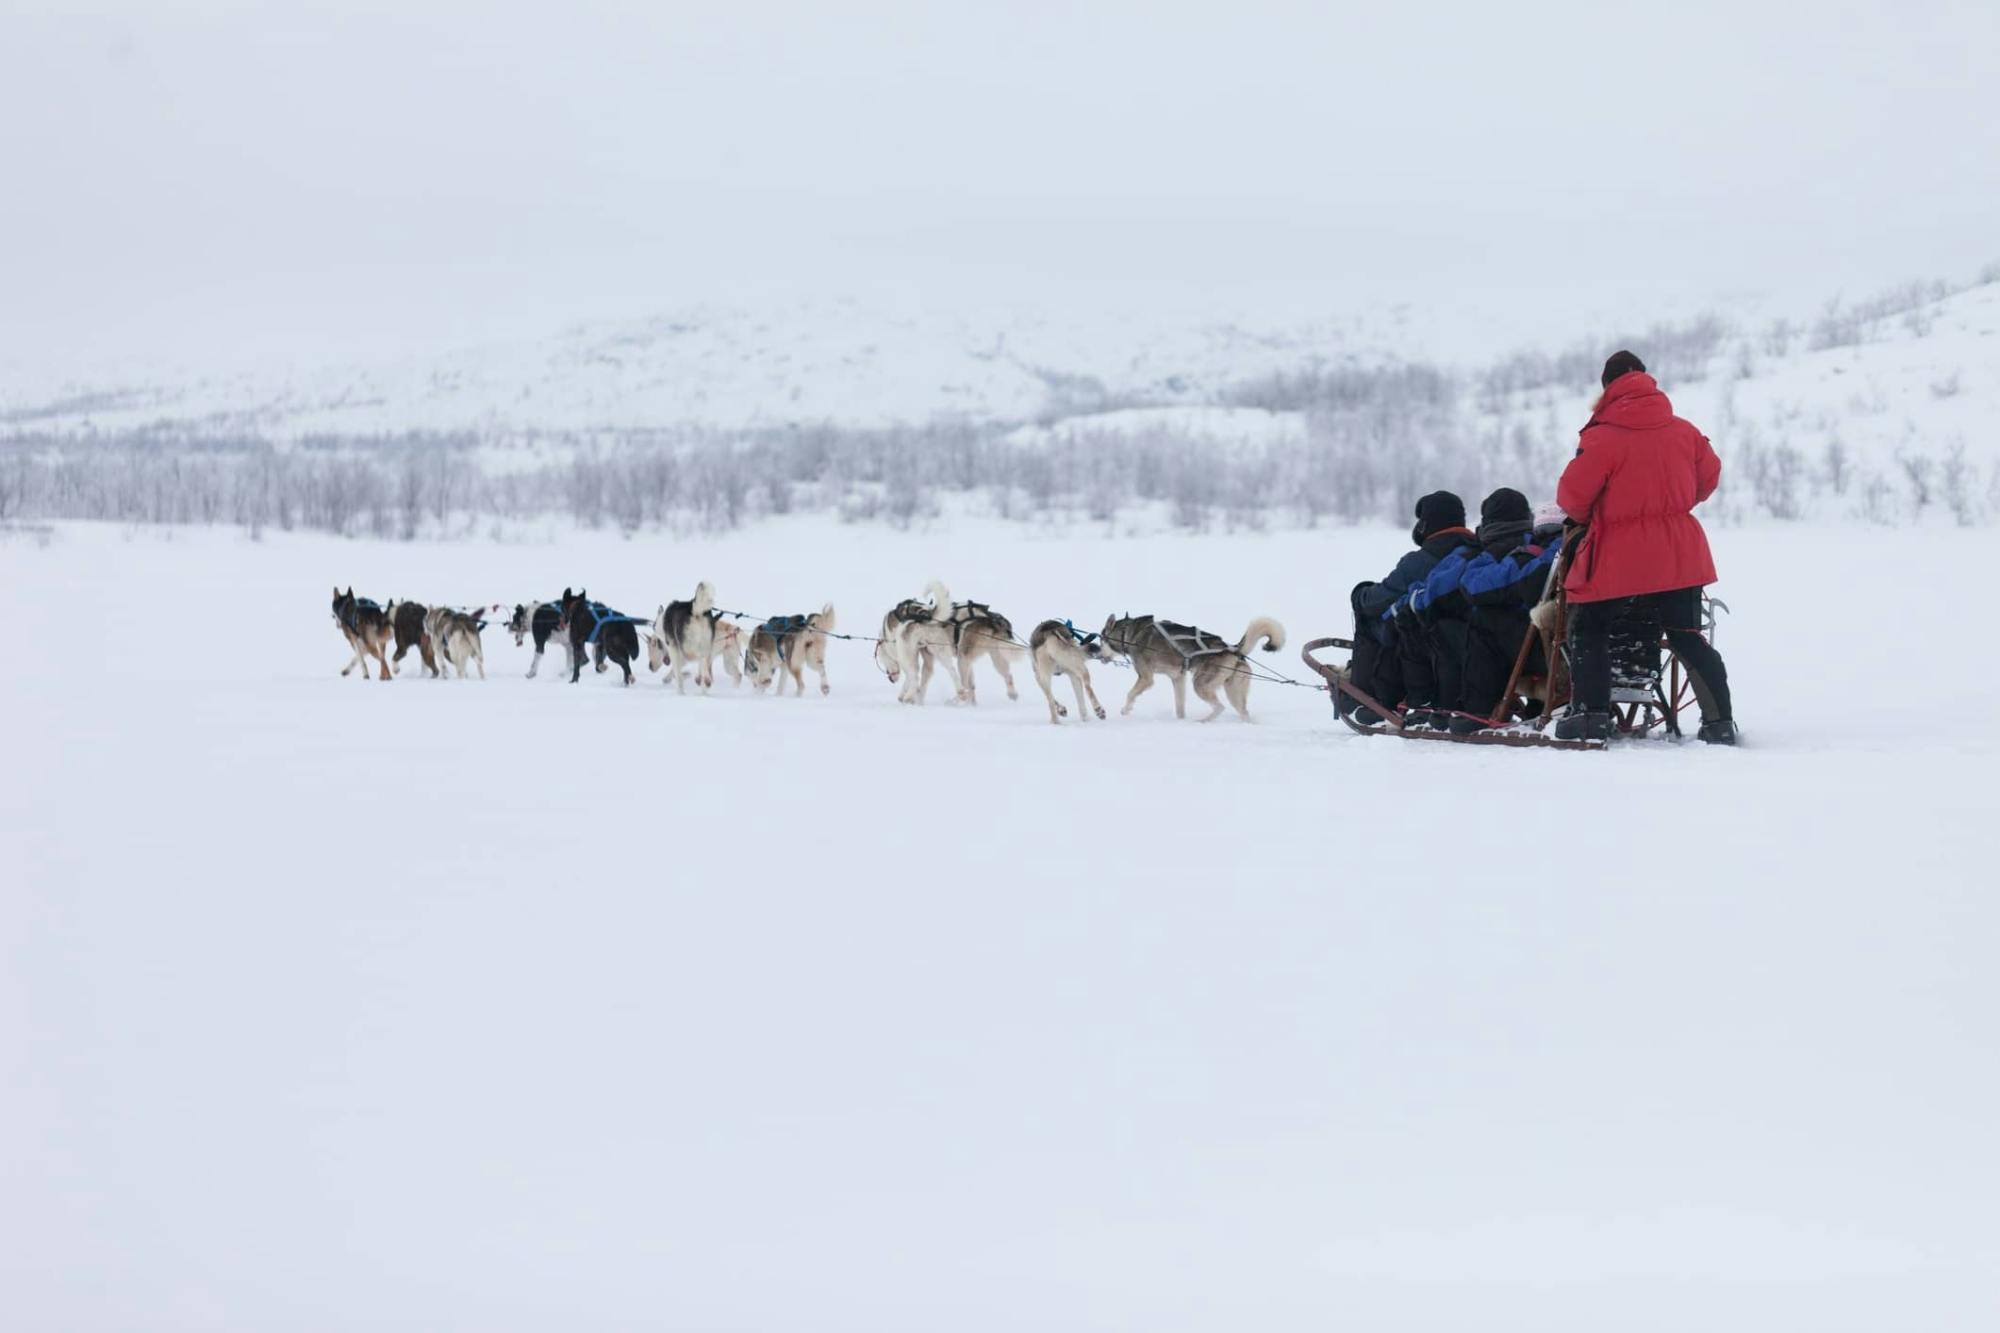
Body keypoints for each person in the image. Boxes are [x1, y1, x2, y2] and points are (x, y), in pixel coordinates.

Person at [1553, 351, 1736, 743]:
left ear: (1608, 387)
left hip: (1617, 551)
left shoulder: (1601, 436)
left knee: (1590, 628)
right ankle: (1719, 722)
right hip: (1678, 550)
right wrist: (1671, 507)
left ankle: (1590, 715)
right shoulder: (1685, 431)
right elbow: (1709, 476)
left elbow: (1573, 498)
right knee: (1687, 634)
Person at [1343, 491, 1474, 724]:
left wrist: (1360, 594)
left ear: (1426, 524)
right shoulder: (1478, 551)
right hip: (1470, 639)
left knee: (1374, 618)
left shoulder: (1422, 559)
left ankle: (1368, 694)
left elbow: (1378, 600)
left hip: (1429, 642)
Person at [1451, 501, 1565, 733]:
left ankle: (1479, 709)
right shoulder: (1598, 545)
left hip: (1558, 652)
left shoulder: (1558, 549)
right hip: (1594, 644)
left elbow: (1529, 584)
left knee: (1485, 620)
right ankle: (1537, 703)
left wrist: (1521, 564)